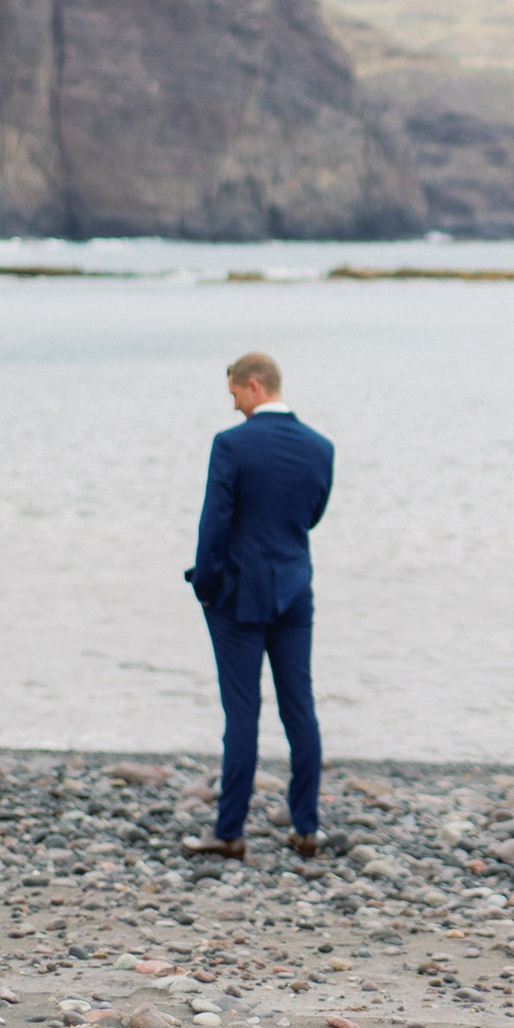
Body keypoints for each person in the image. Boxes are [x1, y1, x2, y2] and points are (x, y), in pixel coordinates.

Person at [181, 351, 333, 862]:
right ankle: (306, 828)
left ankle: (230, 833)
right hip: (294, 590)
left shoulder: (231, 445)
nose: (233, 405)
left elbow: (214, 524)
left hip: (239, 596)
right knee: (299, 707)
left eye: (234, 394)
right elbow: (311, 516)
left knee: (243, 712)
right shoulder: (320, 448)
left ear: (253, 386)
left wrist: (205, 586)